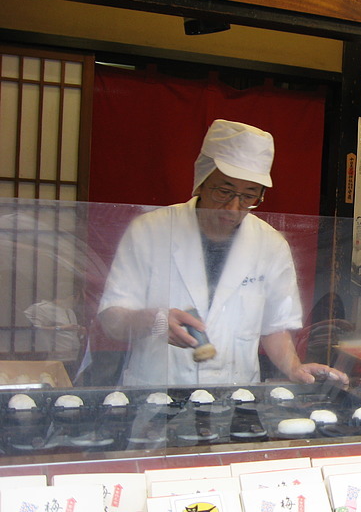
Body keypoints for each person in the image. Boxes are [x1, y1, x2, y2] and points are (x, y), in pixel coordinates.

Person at [98, 119, 348, 386]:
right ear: (202, 182)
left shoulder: (270, 244)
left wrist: (294, 368)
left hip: (234, 397)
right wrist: (153, 320)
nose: (233, 208)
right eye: (223, 191)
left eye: (249, 196)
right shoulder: (150, 230)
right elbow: (111, 320)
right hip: (157, 395)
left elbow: (275, 326)